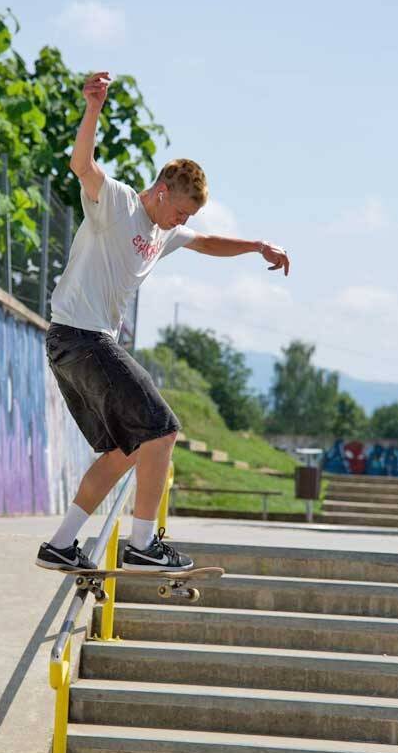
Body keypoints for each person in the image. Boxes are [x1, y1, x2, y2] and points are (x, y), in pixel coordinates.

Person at [36, 71, 289, 573]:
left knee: (125, 450)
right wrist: (93, 107)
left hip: (71, 345)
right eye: (181, 211)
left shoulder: (163, 233)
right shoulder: (118, 203)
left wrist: (257, 245)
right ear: (161, 190)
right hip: (82, 338)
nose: (182, 222)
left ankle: (61, 545)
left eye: (188, 217)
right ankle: (143, 545)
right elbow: (81, 165)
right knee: (162, 429)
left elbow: (208, 243)